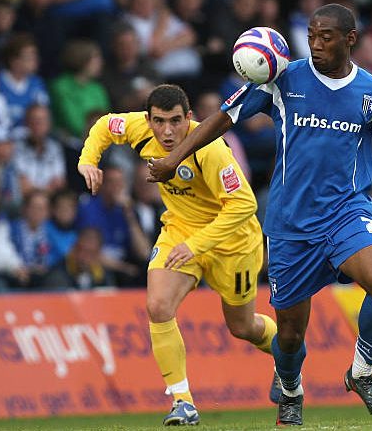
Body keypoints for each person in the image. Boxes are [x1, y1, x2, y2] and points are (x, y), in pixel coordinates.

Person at [147, 4, 372, 426]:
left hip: (346, 214)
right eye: (311, 34)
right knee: (290, 332)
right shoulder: (282, 79)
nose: (315, 43)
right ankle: (290, 389)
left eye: (326, 36)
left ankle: (362, 372)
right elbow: (222, 117)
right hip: (291, 224)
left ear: (350, 39)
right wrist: (173, 158)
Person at [78, 84, 278, 426]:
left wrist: (198, 244)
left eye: (174, 121)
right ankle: (182, 401)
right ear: (148, 119)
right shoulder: (139, 128)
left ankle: (286, 356)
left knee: (242, 327)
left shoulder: (209, 147)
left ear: (188, 118)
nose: (167, 131)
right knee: (157, 306)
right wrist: (88, 161)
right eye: (159, 122)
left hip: (232, 242)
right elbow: (102, 126)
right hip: (179, 231)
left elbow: (245, 205)